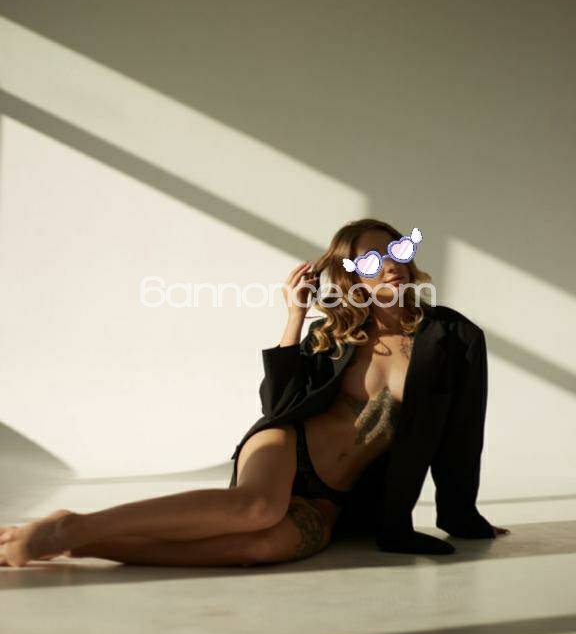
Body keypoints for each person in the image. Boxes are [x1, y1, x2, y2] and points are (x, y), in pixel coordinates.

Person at [0, 218, 510, 568]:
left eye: (396, 250)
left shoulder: (454, 337)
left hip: (335, 498)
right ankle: (72, 526)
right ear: (352, 275)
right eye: (371, 259)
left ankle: (83, 545)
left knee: (262, 547)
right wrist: (294, 318)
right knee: (257, 509)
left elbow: (463, 430)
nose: (390, 264)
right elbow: (278, 406)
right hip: (288, 445)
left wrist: (461, 516)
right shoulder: (336, 332)